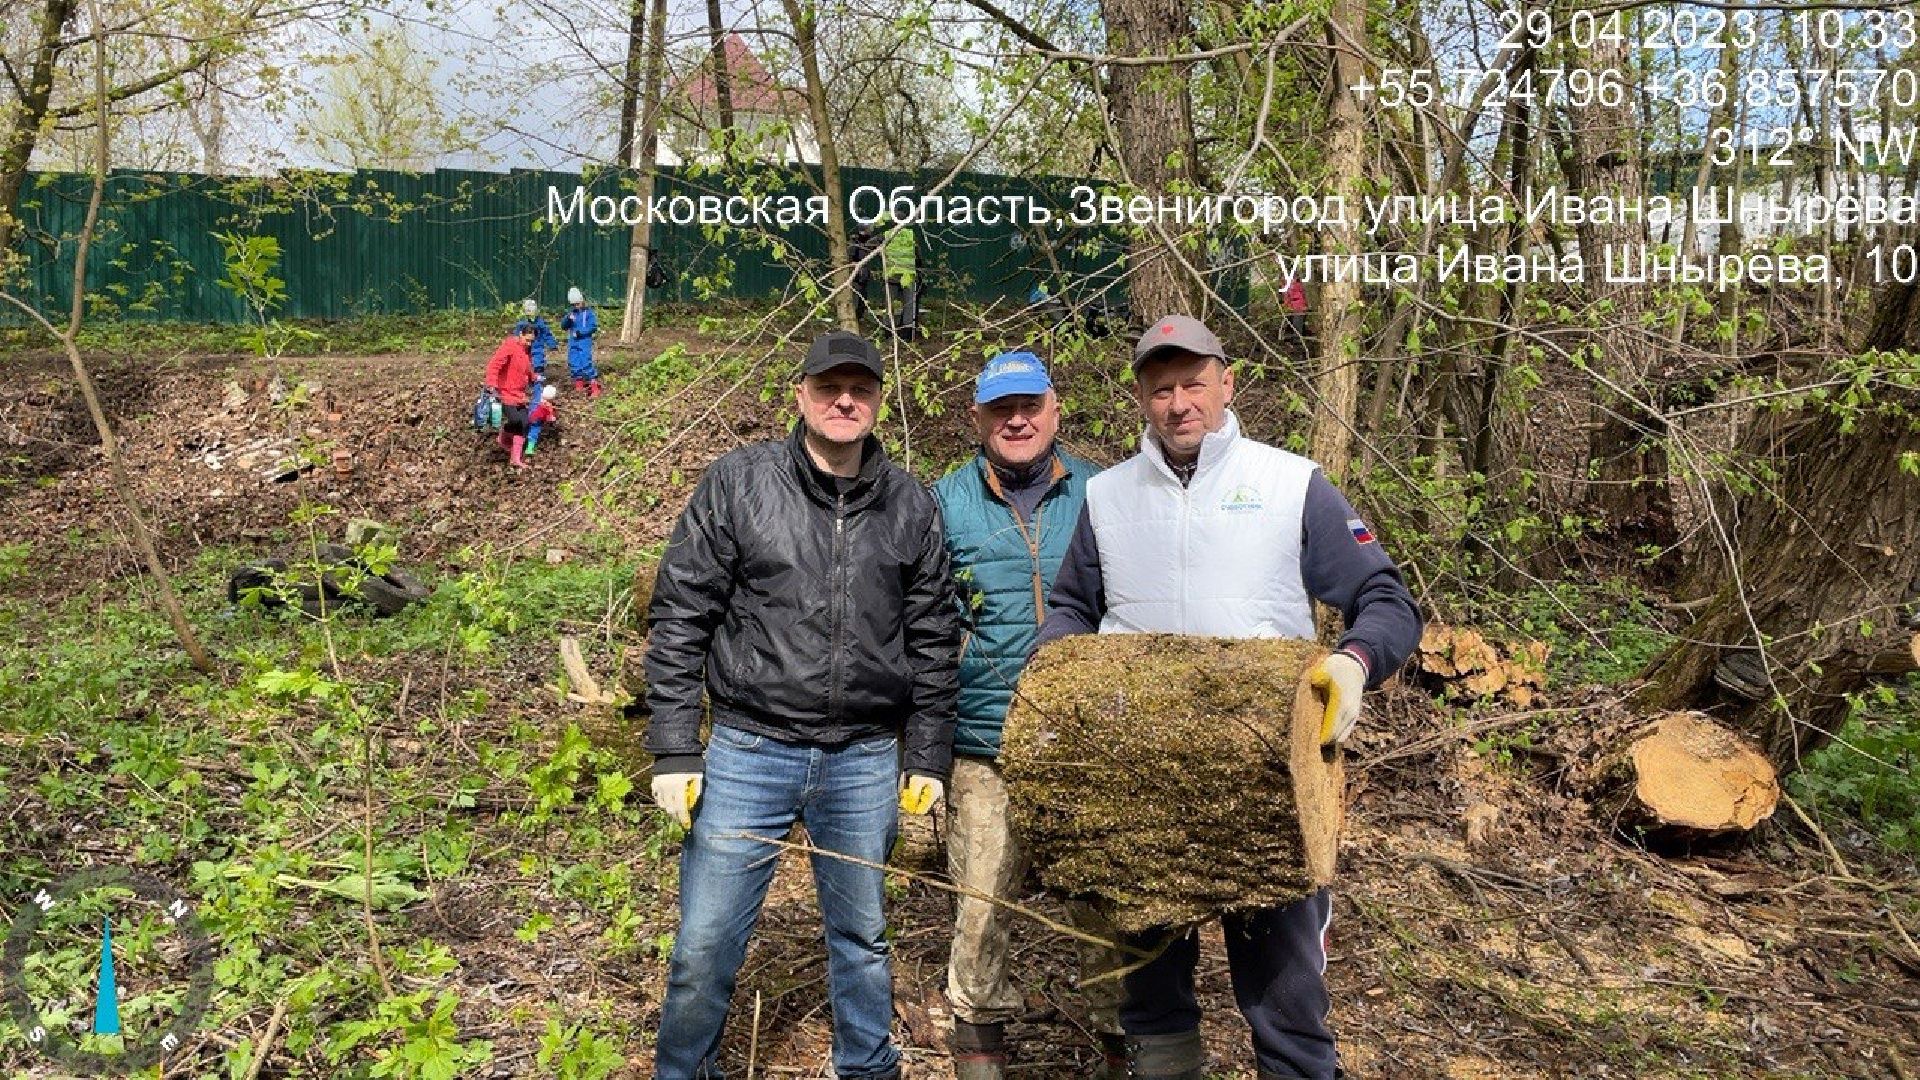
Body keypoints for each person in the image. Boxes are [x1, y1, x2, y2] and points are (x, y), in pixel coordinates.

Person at [1036, 314, 1422, 1080]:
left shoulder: (1290, 484)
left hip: (1269, 787)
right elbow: (1074, 612)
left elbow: (1387, 599)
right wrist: (1051, 676)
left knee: (1286, 1001)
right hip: (1142, 785)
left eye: (1193, 384)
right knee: (1148, 999)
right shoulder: (1108, 496)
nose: (1179, 403)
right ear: (1141, 399)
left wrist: (1352, 662)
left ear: (1227, 384)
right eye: (1161, 388)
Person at [641, 329, 963, 1080]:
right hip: (749, 750)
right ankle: (684, 1071)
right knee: (704, 944)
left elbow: (934, 634)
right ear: (802, 396)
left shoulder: (910, 503)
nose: (844, 401)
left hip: (863, 755)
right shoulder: (740, 483)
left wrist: (927, 754)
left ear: (879, 401)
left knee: (862, 939)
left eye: (860, 390)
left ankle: (867, 1067)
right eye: (829, 388)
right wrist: (674, 746)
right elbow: (681, 611)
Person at [930, 351, 1127, 1080]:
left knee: (1107, 908)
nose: (1016, 420)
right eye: (1000, 409)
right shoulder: (945, 500)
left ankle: (1122, 1046)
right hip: (984, 739)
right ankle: (979, 1049)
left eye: (1029, 406)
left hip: (1087, 740)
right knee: (980, 909)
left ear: (1055, 410)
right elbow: (922, 627)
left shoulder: (1105, 492)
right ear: (978, 417)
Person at [485, 321, 537, 470]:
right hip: (505, 393)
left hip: (519, 394)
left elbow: (526, 368)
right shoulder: (509, 346)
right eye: (527, 340)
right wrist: (491, 385)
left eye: (531, 341)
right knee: (517, 421)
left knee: (525, 422)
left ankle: (515, 457)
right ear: (520, 335)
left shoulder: (526, 351)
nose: (528, 343)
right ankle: (503, 439)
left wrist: (534, 377)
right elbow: (494, 365)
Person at [878, 214, 920, 342]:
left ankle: (887, 332)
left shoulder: (886, 235)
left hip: (891, 275)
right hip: (908, 274)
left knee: (889, 304)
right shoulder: (910, 234)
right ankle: (907, 335)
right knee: (909, 305)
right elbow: (918, 254)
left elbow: (869, 246)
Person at [559, 286, 602, 398]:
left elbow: (593, 327)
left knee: (586, 362)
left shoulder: (589, 313)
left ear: (582, 301)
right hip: (573, 342)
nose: (576, 306)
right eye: (574, 305)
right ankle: (579, 385)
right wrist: (568, 319)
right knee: (574, 362)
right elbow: (563, 326)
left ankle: (594, 386)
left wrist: (581, 332)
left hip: (584, 341)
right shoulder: (571, 314)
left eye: (577, 304)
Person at [519, 297, 560, 379]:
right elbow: (517, 336)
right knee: (526, 364)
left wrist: (552, 344)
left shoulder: (540, 323)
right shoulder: (522, 323)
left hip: (537, 347)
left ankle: (538, 380)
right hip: (525, 348)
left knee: (538, 364)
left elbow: (546, 334)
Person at [849, 225, 880, 328]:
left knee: (863, 297)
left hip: (863, 273)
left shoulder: (866, 241)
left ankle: (859, 317)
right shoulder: (855, 242)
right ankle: (855, 318)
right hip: (857, 273)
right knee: (857, 297)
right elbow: (852, 258)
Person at [524, 383, 558, 457]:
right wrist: (552, 418)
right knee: (533, 433)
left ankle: (522, 441)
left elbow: (537, 389)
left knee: (526, 429)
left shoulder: (537, 397)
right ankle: (529, 448)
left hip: (529, 415)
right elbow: (548, 417)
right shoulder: (548, 406)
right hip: (537, 421)